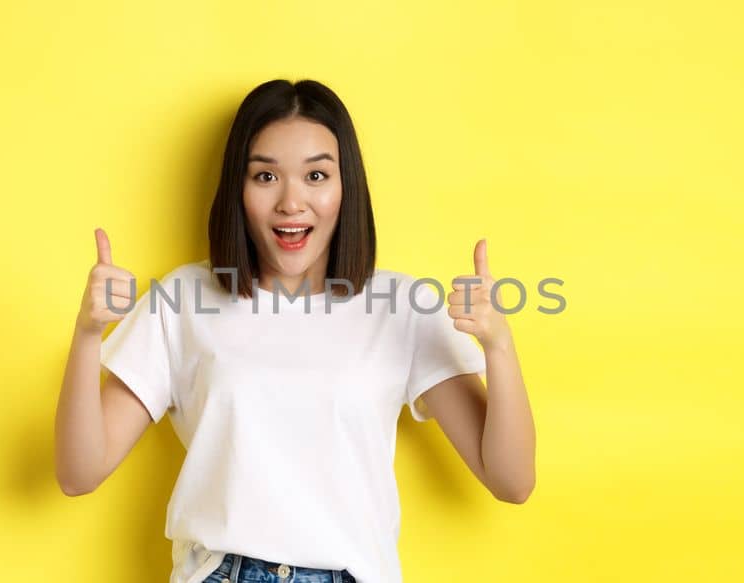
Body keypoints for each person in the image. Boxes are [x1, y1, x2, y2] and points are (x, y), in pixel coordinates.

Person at [54, 79, 536, 583]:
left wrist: (499, 346)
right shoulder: (182, 300)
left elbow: (512, 481)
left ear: (345, 186)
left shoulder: (402, 306)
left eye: (316, 175)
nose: (291, 202)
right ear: (238, 190)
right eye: (265, 176)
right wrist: (88, 335)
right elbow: (78, 473)